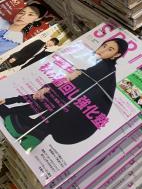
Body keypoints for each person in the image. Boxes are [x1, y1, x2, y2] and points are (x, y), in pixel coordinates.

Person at [0, 38, 128, 147]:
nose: (103, 50)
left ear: (116, 55)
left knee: (50, 99)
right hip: (71, 118)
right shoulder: (102, 68)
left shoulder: (104, 70)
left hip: (74, 122)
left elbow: (66, 90)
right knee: (50, 99)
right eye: (104, 45)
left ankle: (22, 125)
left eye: (110, 49)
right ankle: (29, 130)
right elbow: (65, 87)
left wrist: (48, 88)